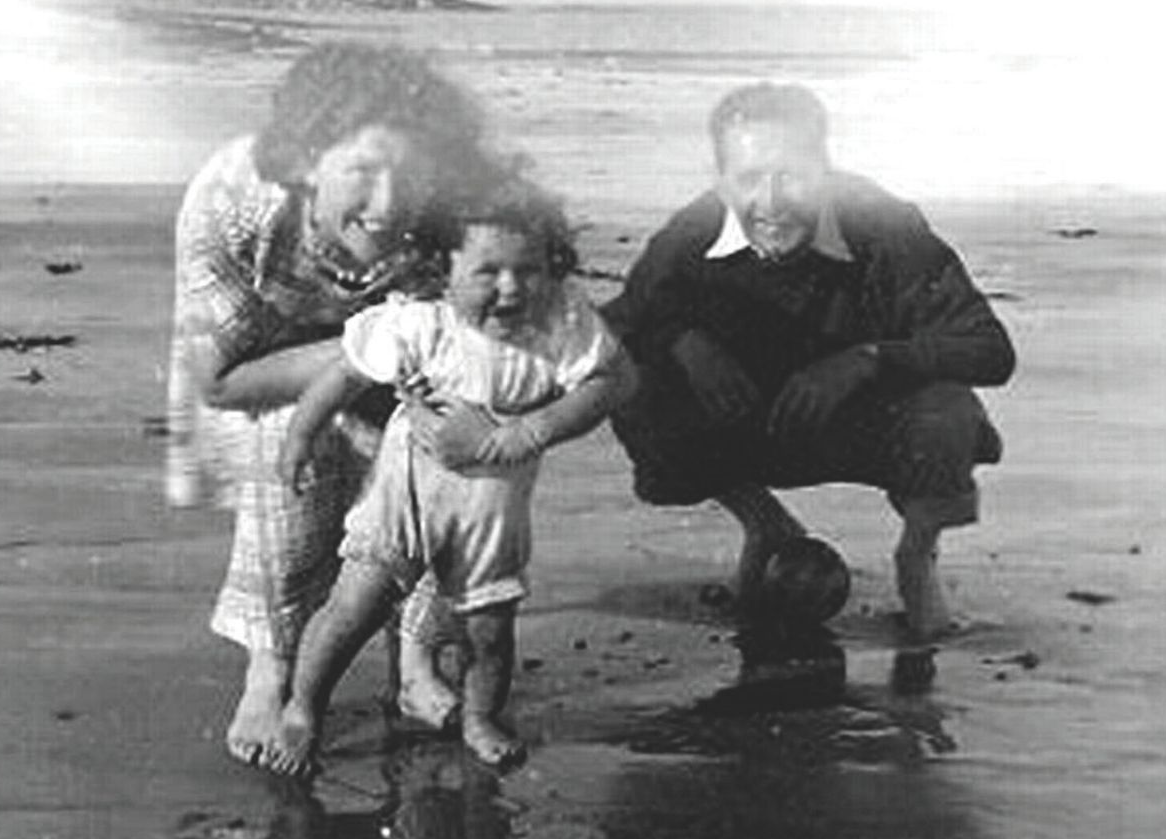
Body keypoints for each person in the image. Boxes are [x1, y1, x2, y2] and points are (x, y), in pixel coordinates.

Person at [165, 40, 505, 770]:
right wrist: (364, 352)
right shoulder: (231, 201)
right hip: (269, 357)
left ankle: (417, 661)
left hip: (405, 353)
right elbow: (221, 379)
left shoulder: (456, 213)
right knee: (288, 445)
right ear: (307, 159)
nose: (386, 204)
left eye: (408, 175)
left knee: (450, 447)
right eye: (362, 171)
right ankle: (272, 667)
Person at [601, 82, 1015, 642]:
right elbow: (614, 327)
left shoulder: (885, 223)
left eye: (791, 174)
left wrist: (865, 359)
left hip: (864, 423)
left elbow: (989, 349)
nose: (771, 202)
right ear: (721, 179)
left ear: (826, 167)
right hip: (746, 423)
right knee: (631, 379)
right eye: (749, 179)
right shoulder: (692, 232)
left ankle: (917, 559)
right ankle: (765, 525)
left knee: (946, 412)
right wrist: (683, 340)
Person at [265, 180, 636, 775]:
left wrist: (529, 430)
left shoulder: (562, 324)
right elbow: (344, 376)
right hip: (406, 495)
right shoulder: (419, 324)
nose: (511, 288)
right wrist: (299, 439)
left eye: (529, 270)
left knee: (489, 631)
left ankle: (480, 716)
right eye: (488, 272)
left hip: (492, 511)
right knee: (352, 607)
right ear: (444, 268)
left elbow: (614, 381)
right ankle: (303, 708)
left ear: (554, 269)